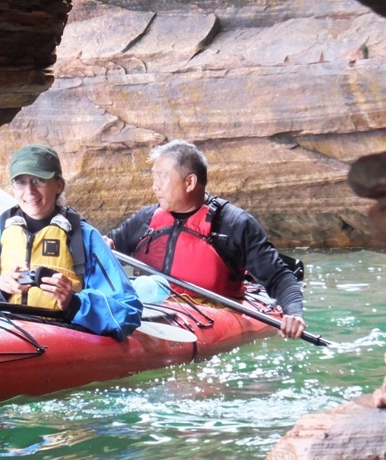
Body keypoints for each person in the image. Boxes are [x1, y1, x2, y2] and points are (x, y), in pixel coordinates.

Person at [104, 140, 307, 339]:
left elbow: (280, 277)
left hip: (211, 311)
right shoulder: (145, 219)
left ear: (190, 182)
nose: (154, 187)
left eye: (162, 177)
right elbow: (105, 250)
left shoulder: (233, 224)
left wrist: (294, 313)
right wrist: (102, 245)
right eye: (154, 178)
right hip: (150, 306)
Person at [0, 144, 143, 340]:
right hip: (1, 336)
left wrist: (74, 302)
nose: (29, 192)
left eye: (39, 181)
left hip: (63, 336)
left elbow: (129, 311)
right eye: (20, 182)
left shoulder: (85, 237)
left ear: (59, 185)